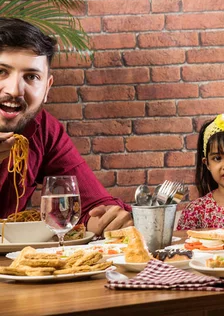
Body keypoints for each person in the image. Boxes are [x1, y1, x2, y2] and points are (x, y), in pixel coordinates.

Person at [0, 18, 132, 236]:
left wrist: (105, 219)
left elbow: (91, 205)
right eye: (1, 71)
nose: (15, 90)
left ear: (47, 87)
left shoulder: (43, 129)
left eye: (31, 76)